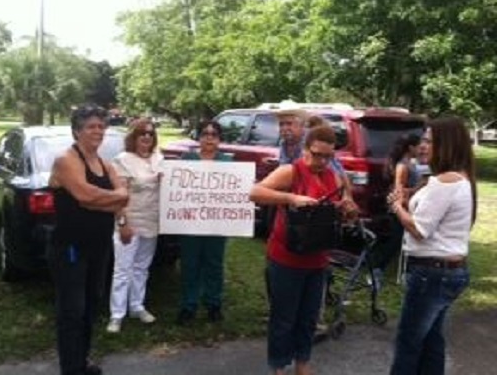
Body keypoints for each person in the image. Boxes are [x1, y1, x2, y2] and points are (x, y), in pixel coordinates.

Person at [250, 125, 355, 375]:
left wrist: (346, 210)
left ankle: (302, 363)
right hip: (286, 258)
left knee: (308, 318)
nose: (321, 161)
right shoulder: (291, 171)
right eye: (316, 154)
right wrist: (291, 199)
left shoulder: (333, 176)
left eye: (327, 156)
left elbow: (344, 208)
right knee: (284, 318)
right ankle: (278, 366)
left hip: (317, 259)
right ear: (306, 149)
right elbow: (254, 192)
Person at [388, 116, 476, 375]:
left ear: (447, 144)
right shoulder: (461, 178)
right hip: (448, 272)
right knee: (431, 342)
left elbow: (420, 230)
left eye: (430, 140)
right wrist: (408, 199)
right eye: (423, 140)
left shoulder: (443, 181)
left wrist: (397, 208)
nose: (423, 145)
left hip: (431, 274)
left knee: (408, 343)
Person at [48, 104, 129, 375]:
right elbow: (85, 195)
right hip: (71, 247)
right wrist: (108, 199)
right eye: (91, 126)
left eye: (101, 126)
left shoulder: (105, 164)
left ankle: (81, 363)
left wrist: (116, 211)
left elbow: (121, 196)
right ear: (76, 131)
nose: (98, 131)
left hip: (100, 246)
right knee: (72, 311)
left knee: (92, 305)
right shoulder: (66, 160)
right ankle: (71, 369)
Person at [106, 118, 163, 333]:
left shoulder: (160, 158)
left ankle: (137, 306)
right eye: (142, 134)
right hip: (130, 221)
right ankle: (116, 315)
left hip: (152, 221)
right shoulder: (123, 160)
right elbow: (119, 197)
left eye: (150, 133)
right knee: (122, 270)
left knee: (142, 268)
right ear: (134, 137)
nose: (147, 137)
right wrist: (122, 223)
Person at [176, 120, 232, 325]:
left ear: (219, 139)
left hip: (217, 224)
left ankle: (213, 304)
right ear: (199, 137)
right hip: (190, 223)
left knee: (214, 264)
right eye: (205, 134)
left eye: (214, 134)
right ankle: (188, 306)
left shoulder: (228, 162)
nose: (209, 137)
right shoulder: (186, 159)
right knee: (190, 264)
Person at [370, 133, 421, 289]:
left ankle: (405, 273)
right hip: (400, 208)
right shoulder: (402, 165)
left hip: (409, 206)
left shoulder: (411, 163)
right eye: (418, 146)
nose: (421, 149)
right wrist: (417, 189)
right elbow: (399, 189)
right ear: (411, 147)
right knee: (395, 241)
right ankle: (376, 270)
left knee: (402, 241)